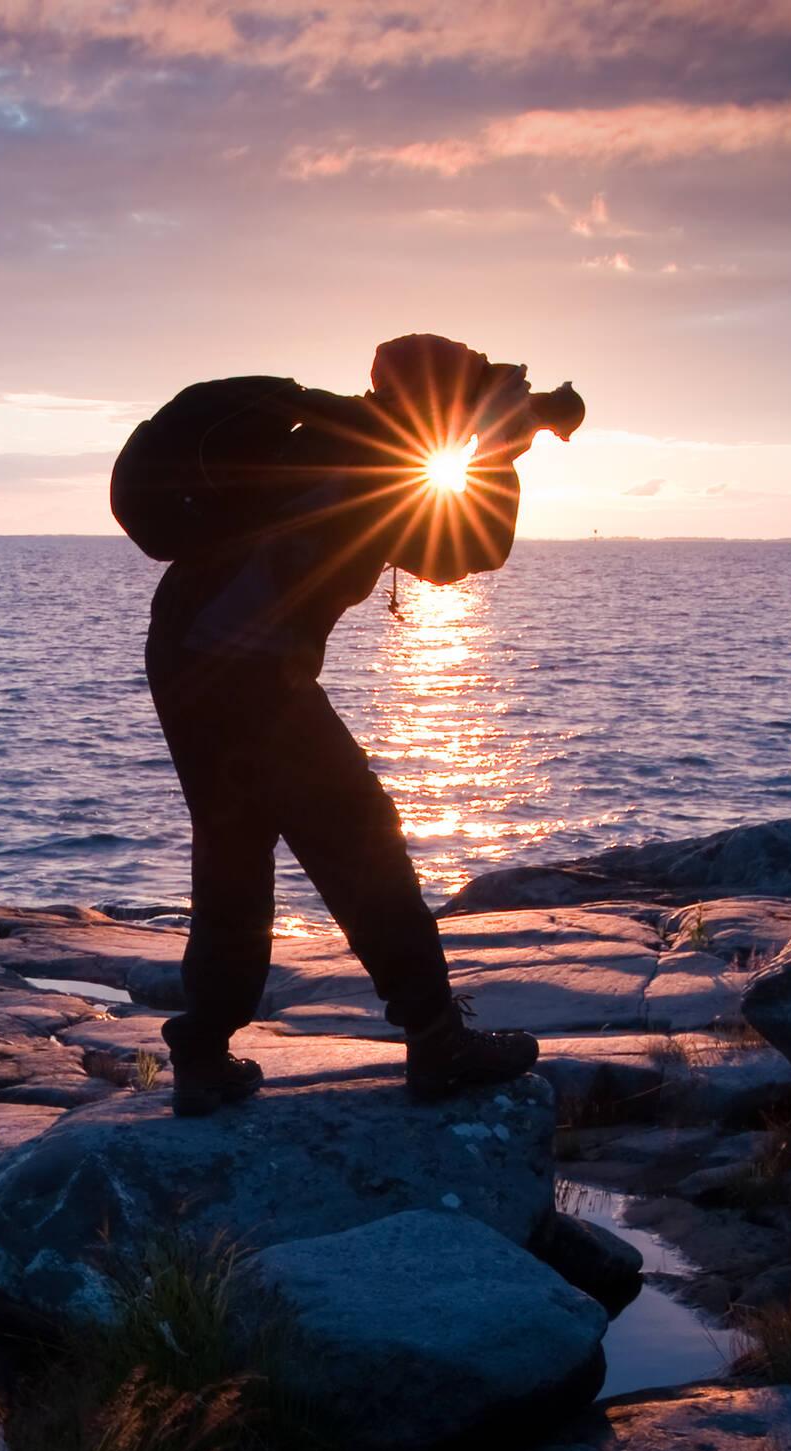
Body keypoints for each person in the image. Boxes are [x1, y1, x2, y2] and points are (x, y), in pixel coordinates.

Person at [113, 333, 586, 1117]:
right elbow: (471, 547)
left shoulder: (335, 437)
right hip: (245, 671)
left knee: (234, 848)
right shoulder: (370, 460)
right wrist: (503, 448)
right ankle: (435, 1037)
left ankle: (203, 1051)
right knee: (359, 834)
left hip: (189, 654)